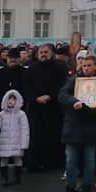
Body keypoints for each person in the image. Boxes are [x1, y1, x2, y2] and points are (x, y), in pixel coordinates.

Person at [58, 55, 96, 192]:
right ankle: (70, 189)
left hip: (90, 128)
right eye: (84, 65)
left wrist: (89, 108)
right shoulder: (73, 81)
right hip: (73, 127)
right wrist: (74, 102)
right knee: (71, 161)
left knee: (89, 161)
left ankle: (87, 189)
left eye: (89, 65)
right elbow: (61, 96)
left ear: (95, 66)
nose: (86, 68)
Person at [25, 44, 69, 172]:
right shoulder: (32, 68)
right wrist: (35, 98)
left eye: (45, 52)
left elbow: (63, 85)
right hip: (36, 108)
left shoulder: (60, 67)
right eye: (41, 52)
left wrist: (50, 96)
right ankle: (35, 163)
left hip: (54, 108)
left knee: (54, 135)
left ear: (52, 53)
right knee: (36, 136)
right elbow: (27, 85)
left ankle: (54, 163)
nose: (43, 54)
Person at [0, 47, 26, 169]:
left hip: (19, 112)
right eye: (11, 58)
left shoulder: (25, 73)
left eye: (15, 58)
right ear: (7, 59)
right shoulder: (0, 73)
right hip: (2, 111)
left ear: (19, 59)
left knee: (18, 137)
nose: (13, 60)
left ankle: (19, 163)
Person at [0, 89, 29, 187]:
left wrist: (24, 144)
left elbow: (25, 130)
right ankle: (4, 178)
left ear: (17, 101)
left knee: (17, 159)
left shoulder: (21, 114)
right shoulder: (1, 114)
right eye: (9, 99)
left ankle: (17, 178)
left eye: (14, 99)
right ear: (5, 100)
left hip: (16, 142)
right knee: (3, 160)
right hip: (4, 143)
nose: (11, 101)